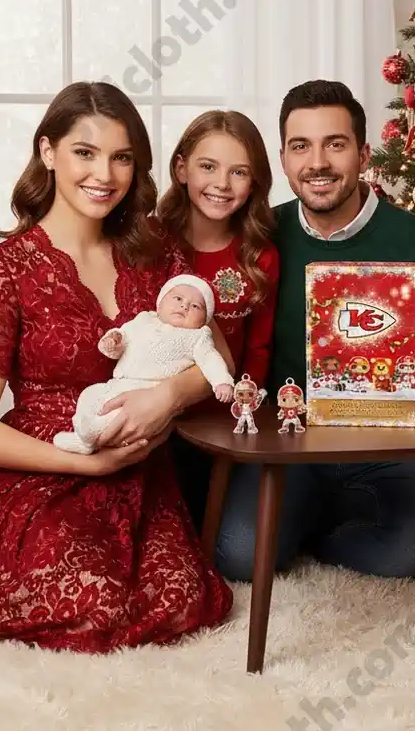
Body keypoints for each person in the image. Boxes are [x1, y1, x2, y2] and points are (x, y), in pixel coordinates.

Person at [0, 82, 233, 651]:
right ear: (48, 153)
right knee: (87, 603)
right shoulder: (4, 269)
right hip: (38, 470)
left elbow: (219, 357)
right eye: (84, 153)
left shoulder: (154, 250)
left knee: (180, 600)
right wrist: (87, 467)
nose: (105, 175)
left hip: (140, 470)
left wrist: (167, 398)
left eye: (121, 157)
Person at [214, 79, 415, 581]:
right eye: (301, 147)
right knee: (239, 553)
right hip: (285, 449)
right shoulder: (258, 240)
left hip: (387, 454)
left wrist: (398, 395)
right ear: (284, 158)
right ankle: (297, 521)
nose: (318, 163)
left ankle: (319, 534)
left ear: (363, 155)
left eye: (334, 145)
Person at [158, 110, 279, 523]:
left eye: (239, 172)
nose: (221, 184)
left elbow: (259, 346)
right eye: (207, 166)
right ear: (181, 169)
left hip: (225, 422)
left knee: (229, 540)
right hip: (158, 422)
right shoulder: (152, 244)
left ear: (256, 181)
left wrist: (244, 410)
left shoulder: (260, 256)